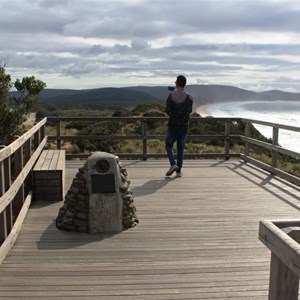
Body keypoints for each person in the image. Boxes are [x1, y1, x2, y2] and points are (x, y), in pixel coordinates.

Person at [165, 75, 193, 177]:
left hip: (173, 126)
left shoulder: (171, 96)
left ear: (177, 83)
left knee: (168, 145)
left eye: (175, 81)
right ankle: (179, 171)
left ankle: (173, 164)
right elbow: (189, 111)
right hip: (184, 126)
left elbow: (168, 111)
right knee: (180, 149)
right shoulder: (189, 97)